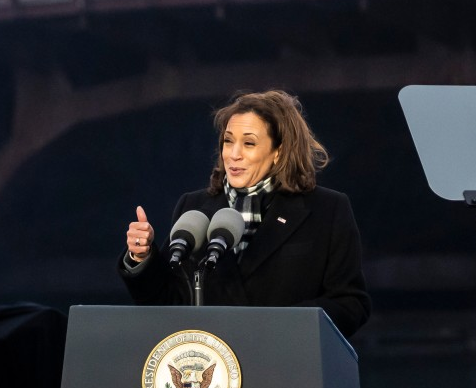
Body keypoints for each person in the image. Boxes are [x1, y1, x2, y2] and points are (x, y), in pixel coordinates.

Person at [118, 90, 370, 337]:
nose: (233, 154)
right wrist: (141, 258)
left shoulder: (326, 209)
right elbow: (166, 300)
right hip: (211, 371)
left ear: (278, 151)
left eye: (249, 143)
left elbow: (350, 303)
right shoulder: (193, 207)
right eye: (228, 141)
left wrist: (285, 326)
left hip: (286, 366)